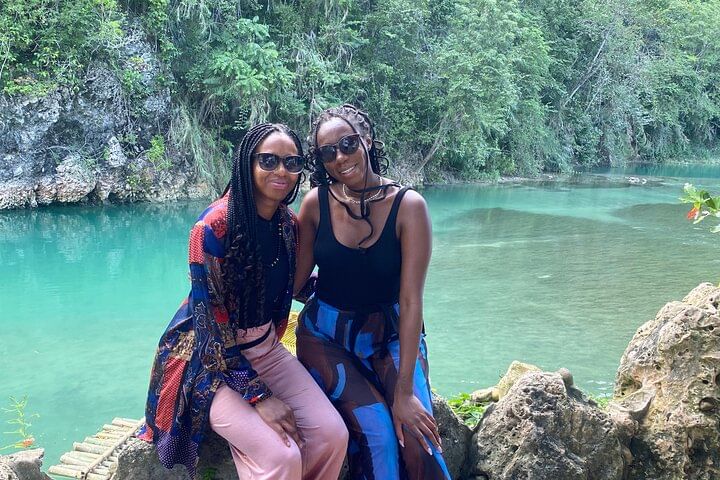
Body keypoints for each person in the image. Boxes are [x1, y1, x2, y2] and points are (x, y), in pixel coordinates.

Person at [139, 123, 348, 480]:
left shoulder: (287, 225)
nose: (281, 171)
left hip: (266, 348)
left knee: (331, 435)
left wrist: (357, 288)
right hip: (208, 362)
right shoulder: (211, 228)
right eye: (268, 161)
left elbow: (290, 284)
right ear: (246, 163)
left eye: (292, 163)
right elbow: (210, 328)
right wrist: (260, 397)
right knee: (280, 455)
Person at [293, 104, 451, 479]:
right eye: (327, 153)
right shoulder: (316, 204)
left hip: (391, 335)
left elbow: (410, 301)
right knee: (377, 435)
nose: (340, 158)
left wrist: (404, 394)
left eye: (348, 144)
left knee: (418, 438)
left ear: (366, 139)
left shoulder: (408, 206)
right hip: (326, 338)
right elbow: (294, 283)